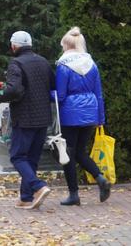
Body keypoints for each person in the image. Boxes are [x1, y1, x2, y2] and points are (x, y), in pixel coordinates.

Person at [0, 31, 54, 210]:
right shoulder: (43, 61)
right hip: (43, 118)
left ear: (14, 46)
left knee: (18, 156)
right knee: (32, 158)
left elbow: (14, 90)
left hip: (25, 117)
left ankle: (38, 187)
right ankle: (26, 197)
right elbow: (52, 84)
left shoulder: (16, 63)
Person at [55, 27, 110, 205]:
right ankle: (100, 178)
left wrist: (48, 93)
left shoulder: (64, 66)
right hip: (90, 112)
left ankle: (74, 194)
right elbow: (98, 93)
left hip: (70, 114)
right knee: (80, 152)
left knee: (68, 153)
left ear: (66, 45)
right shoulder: (91, 64)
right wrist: (100, 117)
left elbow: (61, 95)